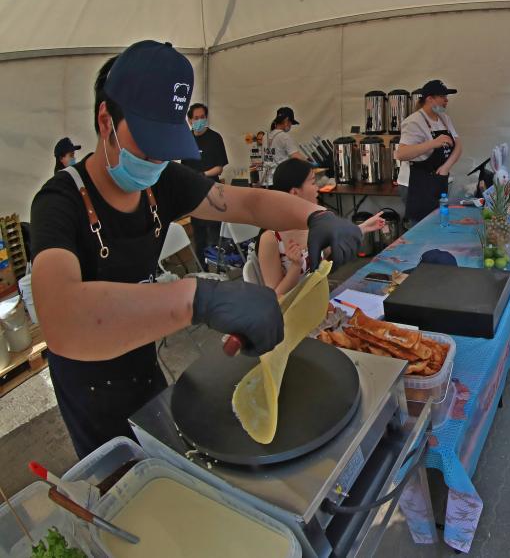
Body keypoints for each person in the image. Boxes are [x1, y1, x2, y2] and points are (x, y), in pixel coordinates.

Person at [29, 41, 379, 458]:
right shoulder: (59, 202)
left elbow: (247, 202)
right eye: (147, 142)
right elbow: (61, 319)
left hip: (142, 357)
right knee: (122, 475)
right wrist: (200, 298)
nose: (157, 158)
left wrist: (316, 216)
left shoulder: (161, 181)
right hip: (89, 383)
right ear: (106, 120)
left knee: (166, 452)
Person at [258, 159, 384, 296]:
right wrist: (295, 266)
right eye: (313, 182)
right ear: (295, 193)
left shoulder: (312, 223)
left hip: (318, 297)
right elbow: (275, 298)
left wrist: (361, 228)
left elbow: (327, 254)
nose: (317, 188)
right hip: (296, 307)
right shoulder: (270, 239)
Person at [394, 80, 462, 223]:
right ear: (429, 99)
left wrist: (446, 167)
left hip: (438, 181)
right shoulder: (413, 122)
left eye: (446, 97)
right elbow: (401, 154)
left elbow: (458, 145)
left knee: (438, 223)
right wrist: (433, 143)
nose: (446, 100)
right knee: (421, 227)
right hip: (416, 184)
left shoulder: (444, 119)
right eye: (442, 96)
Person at [180, 103, 229, 268]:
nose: (199, 120)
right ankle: (202, 268)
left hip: (213, 191)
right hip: (195, 195)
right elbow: (184, 167)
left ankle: (220, 268)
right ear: (189, 120)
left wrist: (203, 175)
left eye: (202, 117)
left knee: (215, 233)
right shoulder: (186, 139)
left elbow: (219, 167)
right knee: (199, 235)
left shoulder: (215, 138)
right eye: (196, 118)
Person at [262, 106, 307, 185]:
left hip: (266, 180)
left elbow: (270, 158)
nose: (291, 125)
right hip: (279, 179)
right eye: (291, 123)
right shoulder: (284, 136)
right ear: (286, 120)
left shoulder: (265, 136)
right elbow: (296, 156)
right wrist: (311, 164)